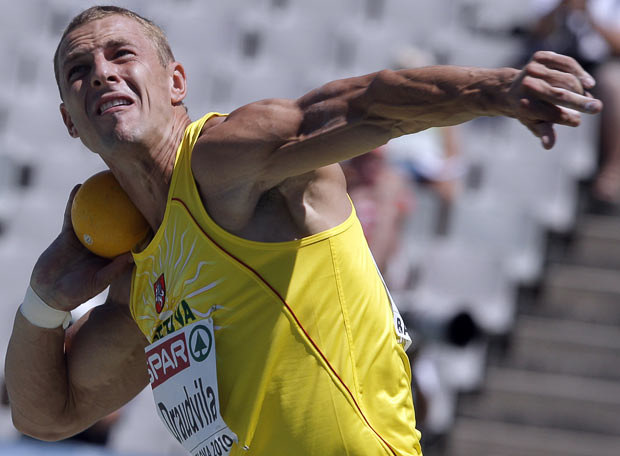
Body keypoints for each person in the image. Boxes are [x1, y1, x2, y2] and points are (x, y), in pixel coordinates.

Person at [3, 5, 601, 456]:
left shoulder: (224, 158)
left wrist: (495, 89)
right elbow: (46, 417)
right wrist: (44, 299)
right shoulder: (140, 276)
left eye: (121, 55)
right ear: (69, 122)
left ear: (176, 83)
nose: (101, 74)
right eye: (79, 70)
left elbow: (362, 105)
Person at [526, 0, 620, 207]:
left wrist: (588, 15)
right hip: (553, 62)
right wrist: (562, 8)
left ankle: (613, 171)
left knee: (615, 84)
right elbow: (536, 31)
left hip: (598, 67)